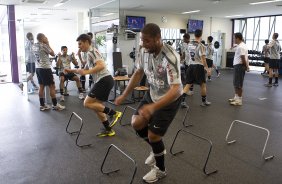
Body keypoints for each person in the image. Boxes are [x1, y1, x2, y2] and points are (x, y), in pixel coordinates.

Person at [115, 23, 182, 183]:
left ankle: (160, 170)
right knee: (136, 123)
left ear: (158, 39)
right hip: (152, 94)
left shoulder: (171, 56)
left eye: (147, 41)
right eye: (142, 41)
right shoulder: (144, 52)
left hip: (169, 100)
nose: (143, 45)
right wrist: (124, 94)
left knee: (153, 135)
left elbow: (176, 90)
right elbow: (138, 73)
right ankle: (157, 148)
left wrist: (153, 107)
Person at [65, 34, 122, 137]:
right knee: (97, 107)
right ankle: (108, 129)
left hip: (104, 80)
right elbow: (84, 70)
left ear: (87, 42)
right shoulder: (88, 54)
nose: (79, 46)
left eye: (80, 44)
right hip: (103, 81)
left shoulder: (92, 51)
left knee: (87, 103)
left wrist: (87, 73)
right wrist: (70, 70)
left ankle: (114, 113)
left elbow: (101, 65)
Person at [33, 33, 65, 111]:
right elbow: (53, 53)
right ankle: (55, 105)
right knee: (52, 86)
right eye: (45, 37)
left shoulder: (34, 46)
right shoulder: (44, 45)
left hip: (38, 68)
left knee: (41, 86)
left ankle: (42, 105)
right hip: (45, 69)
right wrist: (48, 43)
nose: (46, 38)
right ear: (42, 38)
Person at [181, 29, 211, 107]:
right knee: (203, 85)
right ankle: (204, 102)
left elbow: (186, 55)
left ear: (194, 35)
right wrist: (207, 69)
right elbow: (203, 59)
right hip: (198, 66)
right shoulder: (201, 46)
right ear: (201, 35)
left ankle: (182, 101)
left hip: (191, 66)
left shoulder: (189, 44)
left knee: (188, 84)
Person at [228, 32, 249, 106]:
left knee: (238, 84)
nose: (234, 39)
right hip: (238, 66)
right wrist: (233, 47)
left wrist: (246, 66)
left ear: (238, 38)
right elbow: (246, 57)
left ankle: (239, 100)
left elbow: (243, 58)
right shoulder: (241, 45)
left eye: (234, 38)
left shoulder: (241, 47)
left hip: (240, 66)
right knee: (236, 83)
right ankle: (236, 97)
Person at [180, 33, 193, 108]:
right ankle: (189, 90)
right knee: (188, 76)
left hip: (192, 63)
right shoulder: (184, 45)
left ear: (187, 38)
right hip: (187, 63)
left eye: (184, 38)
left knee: (190, 76)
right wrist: (181, 60)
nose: (183, 40)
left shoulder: (191, 44)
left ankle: (190, 90)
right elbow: (184, 54)